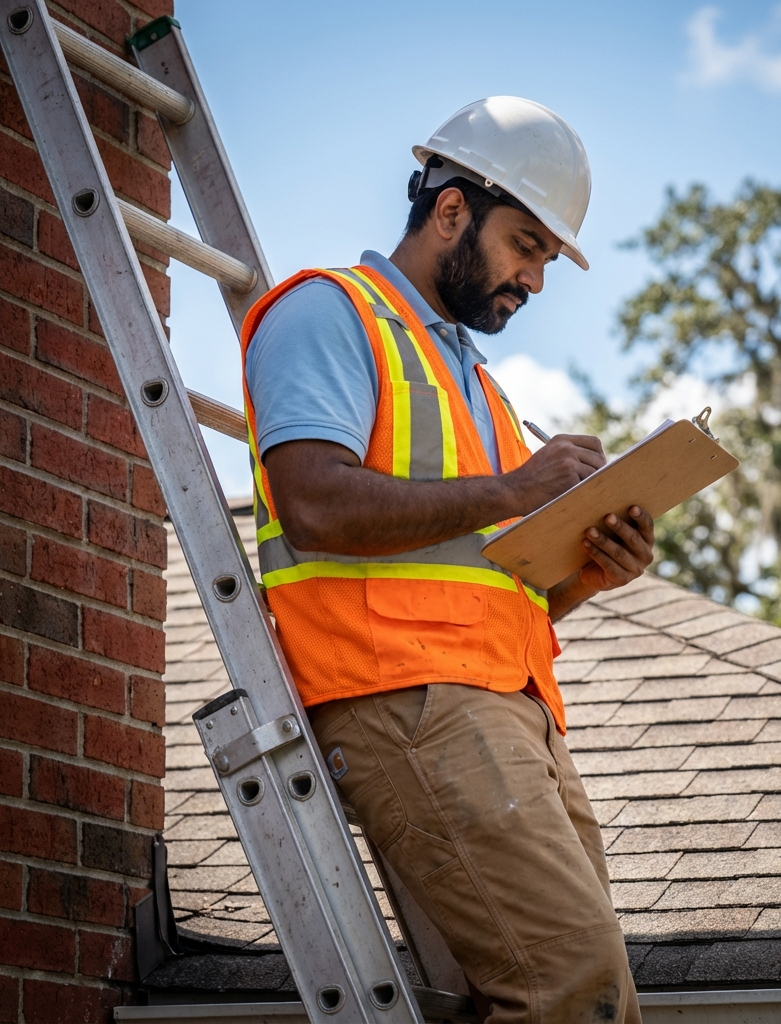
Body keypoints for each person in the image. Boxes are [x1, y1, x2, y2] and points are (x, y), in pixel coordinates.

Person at [240, 97, 650, 1023]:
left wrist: (587, 572)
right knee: (568, 990)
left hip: (510, 712)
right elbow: (312, 503)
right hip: (407, 702)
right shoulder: (329, 312)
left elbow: (489, 582)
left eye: (546, 258)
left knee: (601, 997)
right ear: (452, 210)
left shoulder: (480, 386)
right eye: (526, 246)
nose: (534, 281)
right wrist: (513, 491)